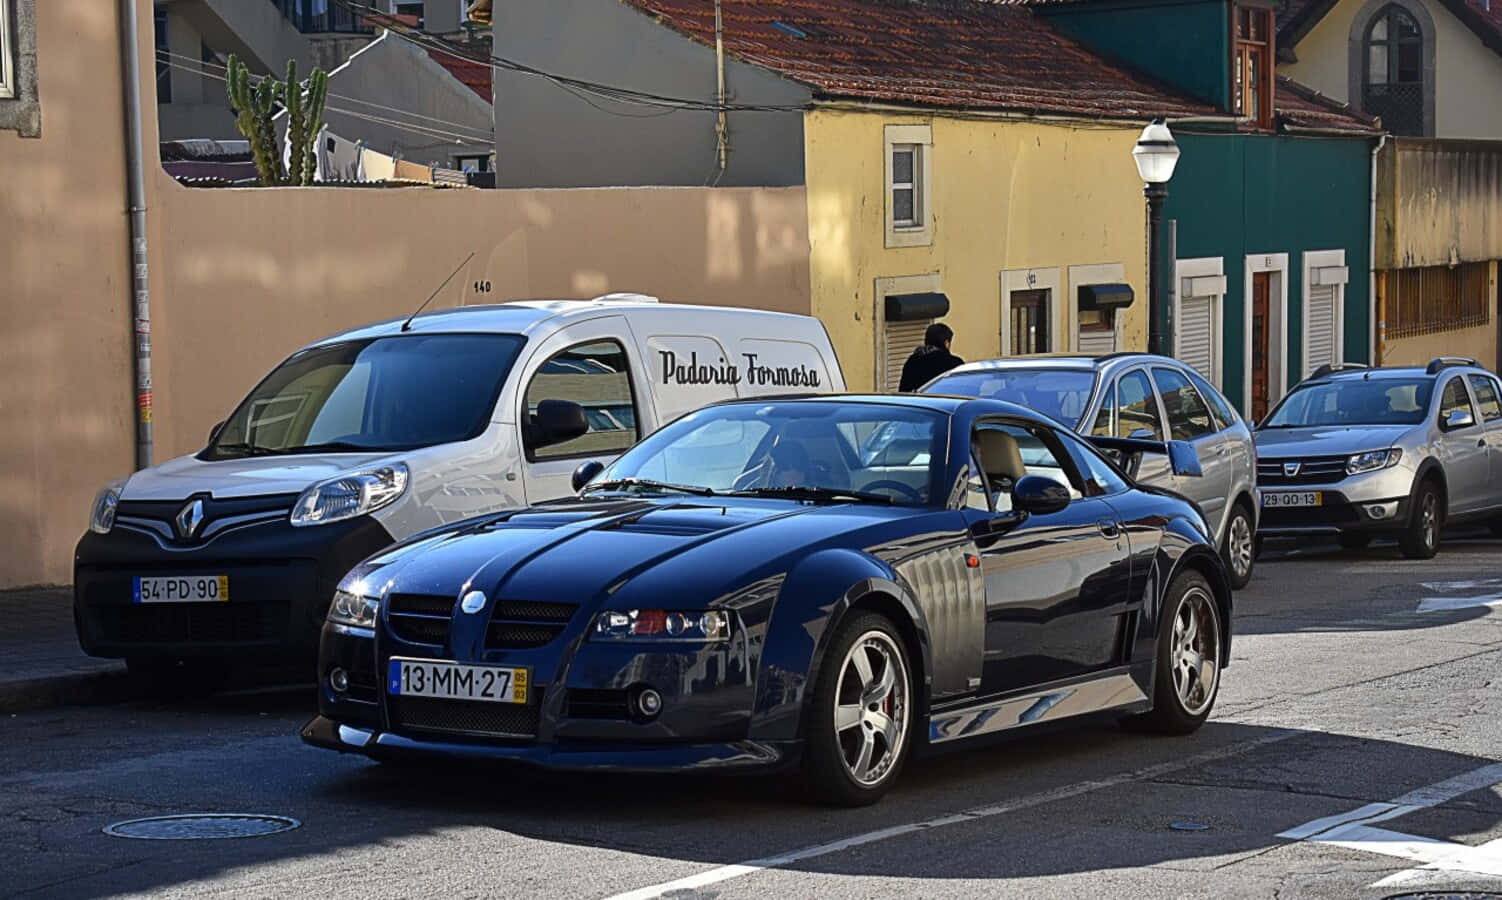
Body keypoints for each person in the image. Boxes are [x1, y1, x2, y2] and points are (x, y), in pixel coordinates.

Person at [898, 323, 964, 392]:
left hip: (916, 402)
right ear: (946, 343)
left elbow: (903, 391)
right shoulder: (954, 363)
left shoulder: (912, 361)